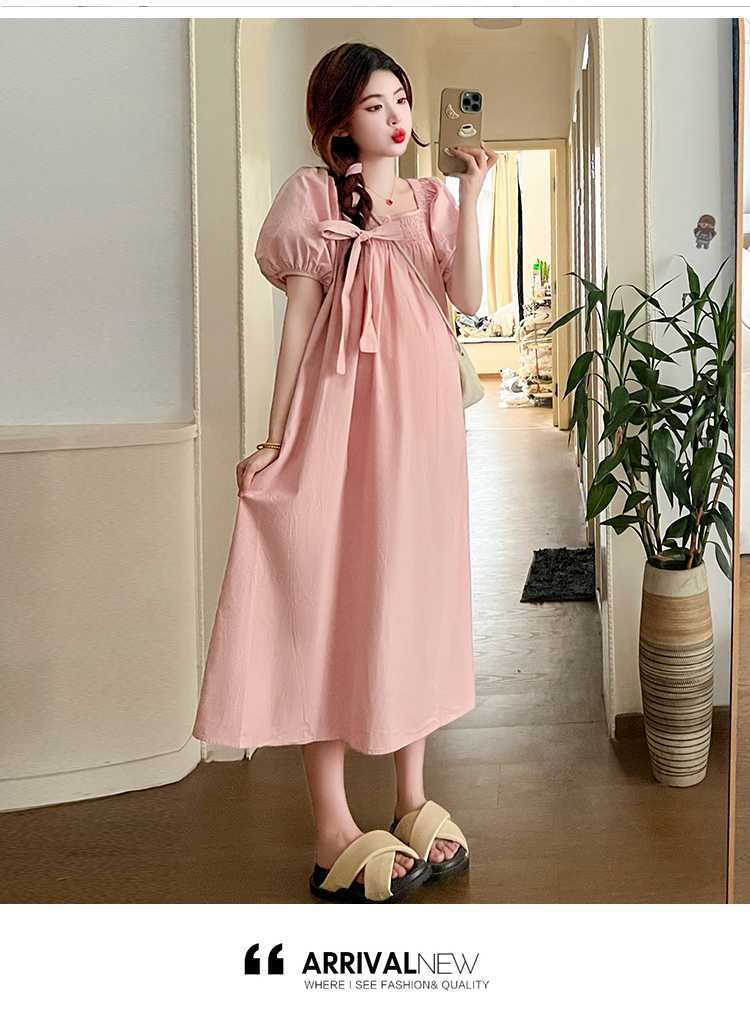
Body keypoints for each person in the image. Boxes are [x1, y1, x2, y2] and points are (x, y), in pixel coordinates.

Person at [192, 42, 497, 904]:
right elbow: (299, 322)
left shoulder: (431, 200)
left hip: (423, 429)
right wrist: (276, 436)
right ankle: (331, 823)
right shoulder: (313, 197)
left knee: (414, 595)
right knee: (324, 592)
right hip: (339, 416)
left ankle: (411, 798)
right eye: (374, 105)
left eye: (401, 99)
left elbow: (469, 298)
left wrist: (474, 197)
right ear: (338, 121)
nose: (396, 117)